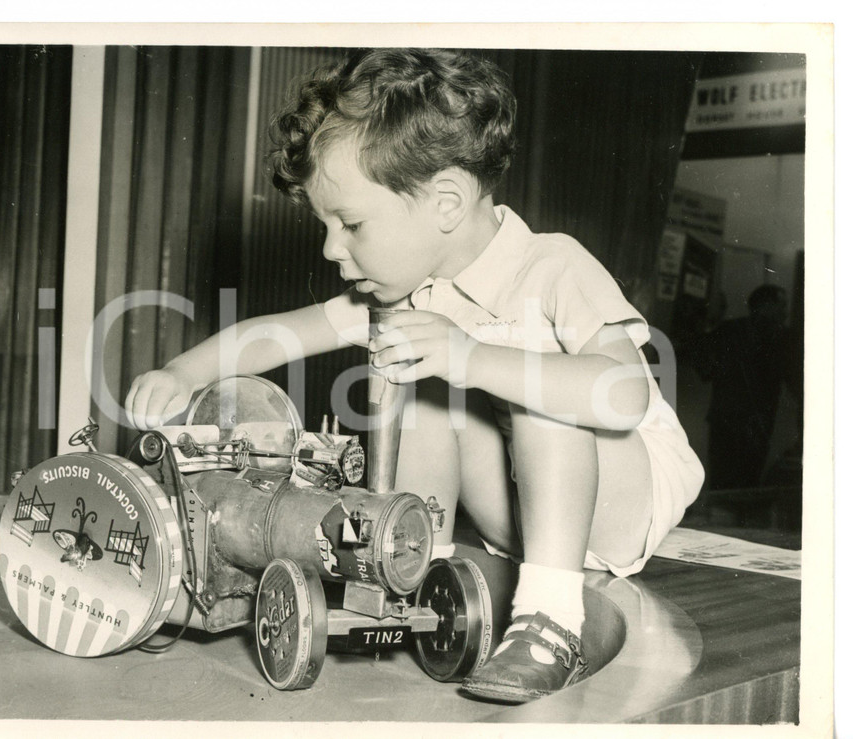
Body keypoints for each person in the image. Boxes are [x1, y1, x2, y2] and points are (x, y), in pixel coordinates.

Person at [124, 48, 704, 704]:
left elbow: (624, 395)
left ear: (448, 201)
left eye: (351, 223)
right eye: (326, 227)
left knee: (535, 382)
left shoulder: (551, 266)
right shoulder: (403, 295)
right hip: (519, 515)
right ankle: (408, 565)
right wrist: (183, 371)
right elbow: (278, 332)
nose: (330, 249)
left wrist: (474, 357)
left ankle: (550, 619)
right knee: (423, 375)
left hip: (622, 498)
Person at [696, 285, 797, 492]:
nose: (786, 312)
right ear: (767, 305)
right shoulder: (783, 337)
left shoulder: (727, 330)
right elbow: (795, 383)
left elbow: (704, 370)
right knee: (747, 483)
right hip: (757, 422)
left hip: (724, 418)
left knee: (720, 480)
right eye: (782, 305)